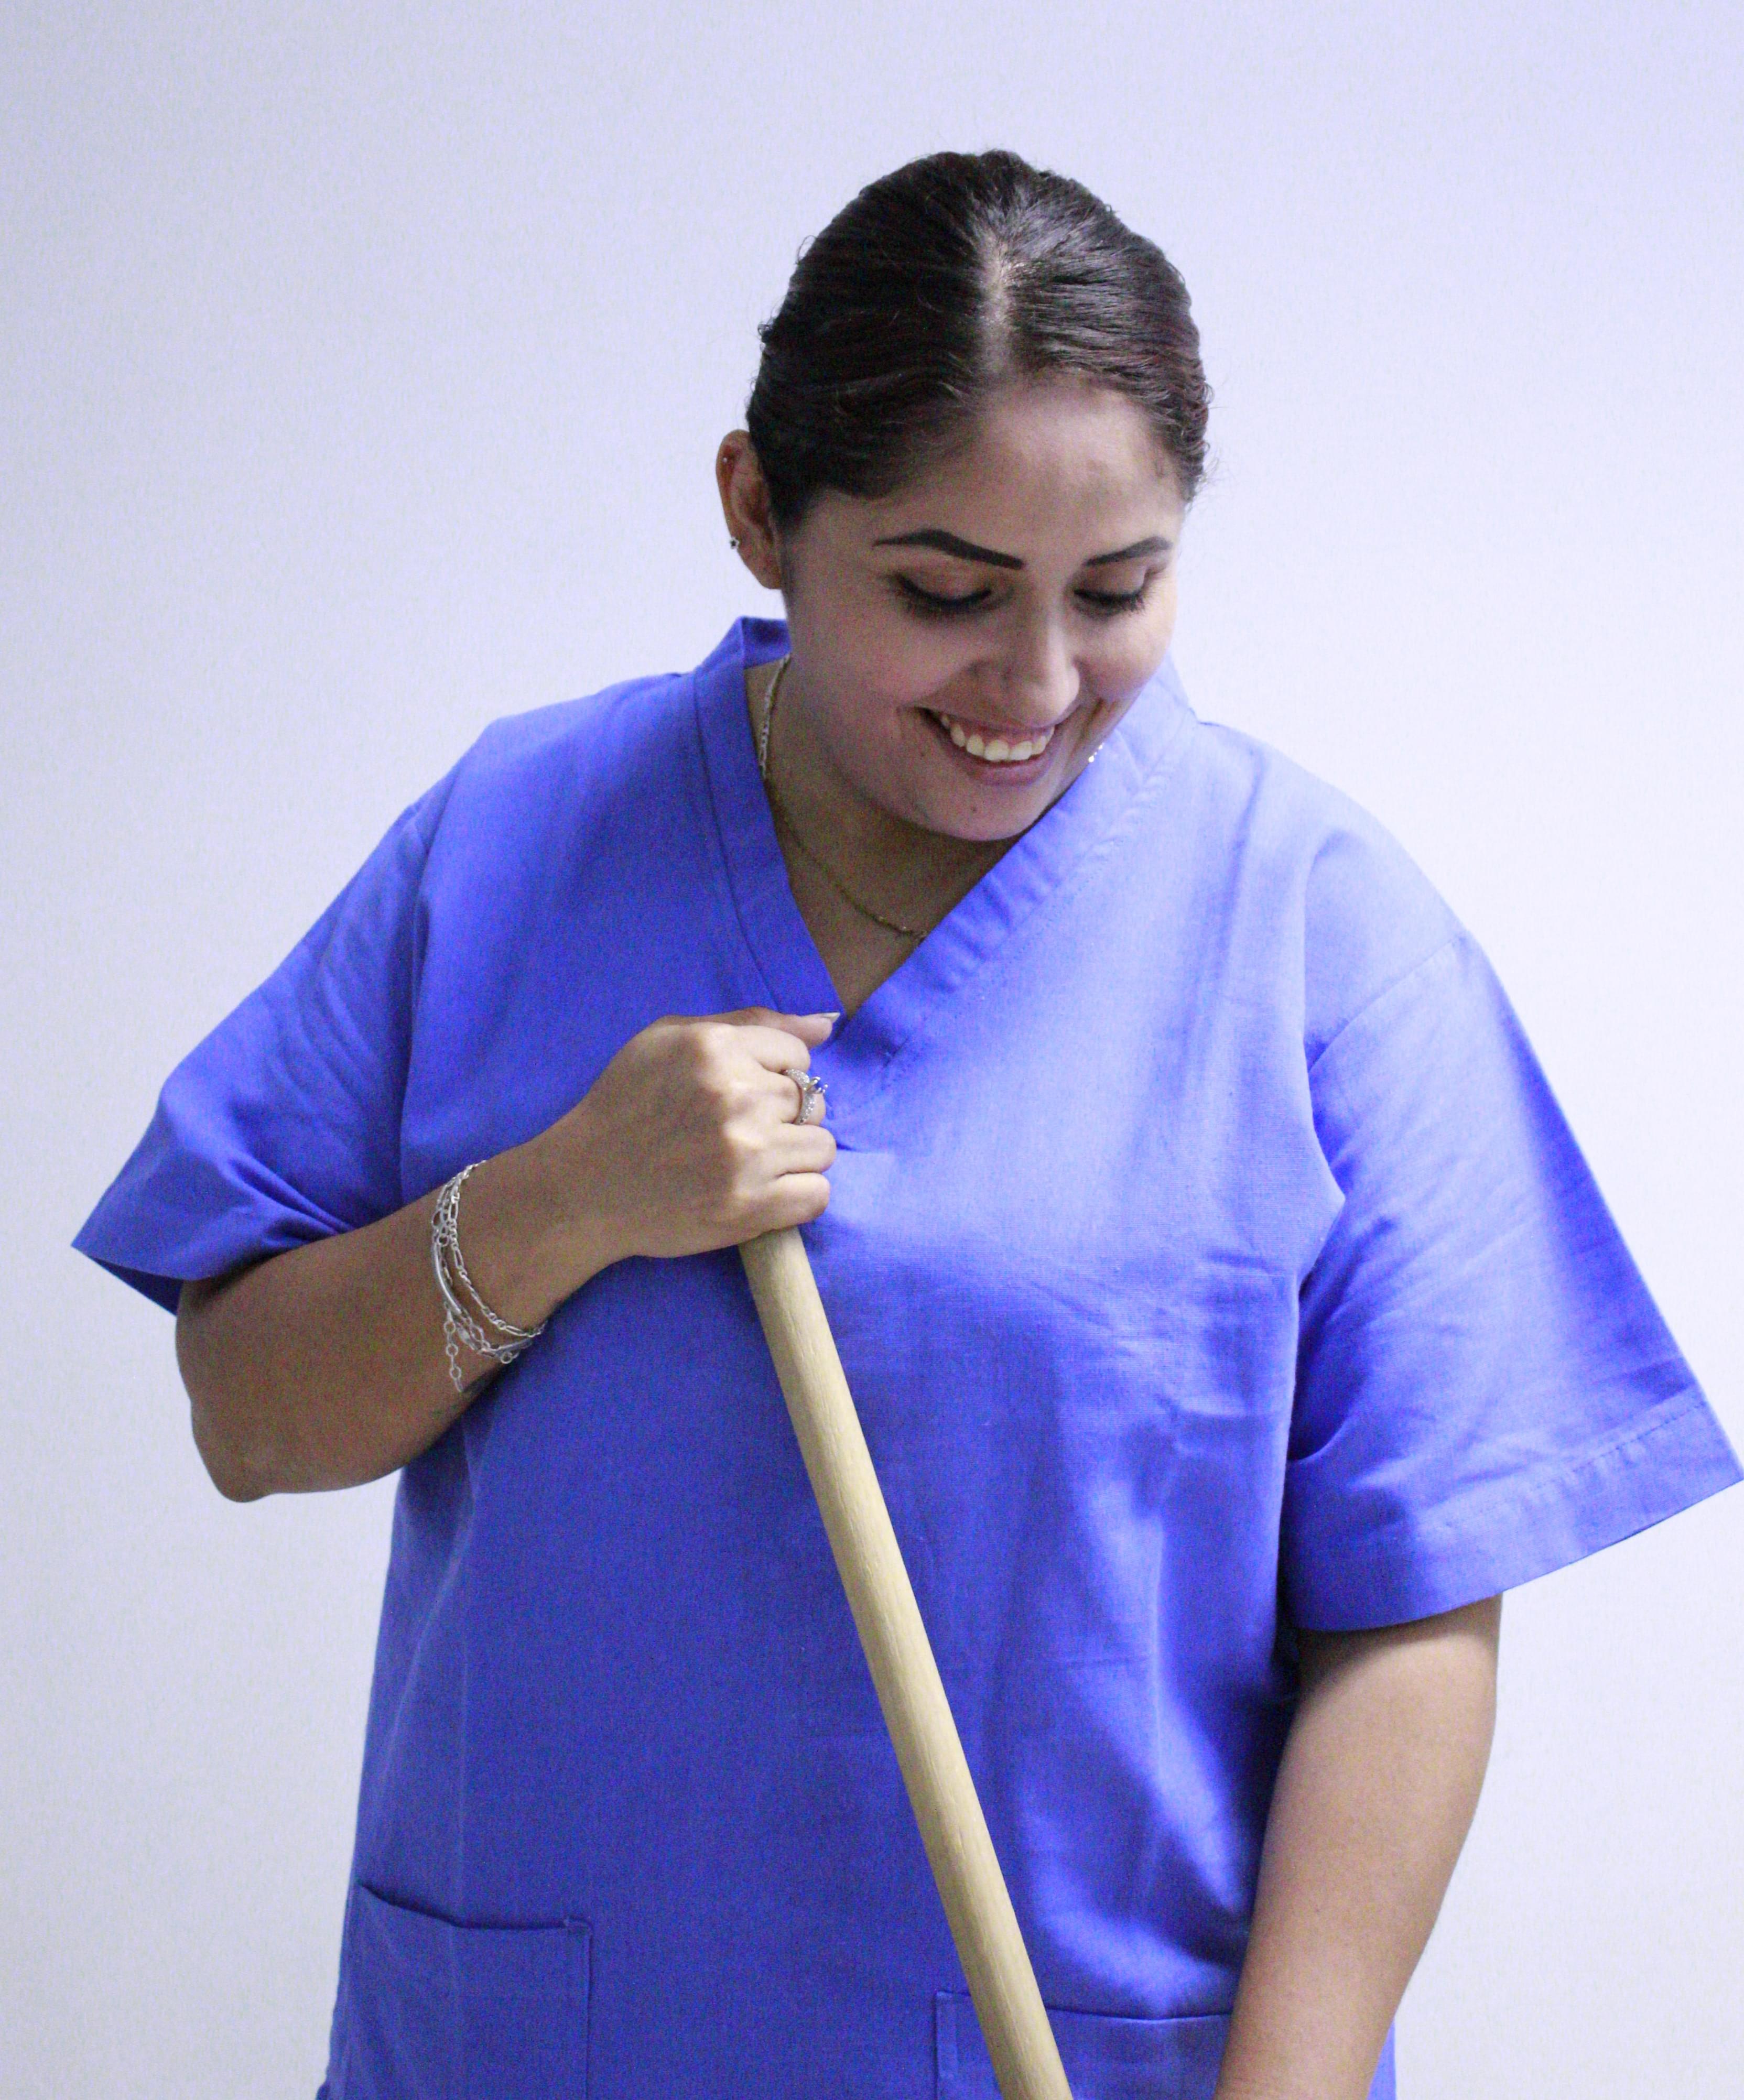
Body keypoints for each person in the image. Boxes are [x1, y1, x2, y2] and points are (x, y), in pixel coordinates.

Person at [74, 148, 1738, 2100]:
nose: (1035, 686)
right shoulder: (516, 843)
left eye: (1117, 594)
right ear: (759, 511)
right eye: (946, 595)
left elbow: (1418, 1613)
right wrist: (555, 1208)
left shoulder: (1315, 929)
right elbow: (248, 1419)